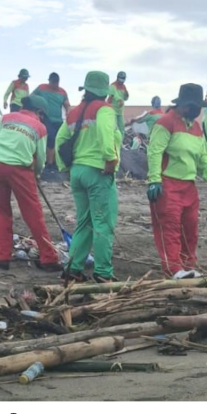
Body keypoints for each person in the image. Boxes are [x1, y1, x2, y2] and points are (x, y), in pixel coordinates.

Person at [147, 83, 207, 279]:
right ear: (183, 104)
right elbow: (155, 152)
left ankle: (188, 266)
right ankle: (173, 268)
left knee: (190, 228)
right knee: (169, 228)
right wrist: (154, 179)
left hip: (189, 186)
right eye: (193, 106)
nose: (197, 110)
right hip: (168, 184)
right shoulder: (165, 123)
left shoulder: (196, 127)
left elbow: (203, 155)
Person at [0, 97, 62, 271]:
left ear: (23, 106)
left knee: (0, 211)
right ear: (39, 112)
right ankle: (49, 258)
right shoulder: (40, 128)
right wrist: (37, 173)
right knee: (33, 213)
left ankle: (3, 257)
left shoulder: (7, 118)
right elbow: (40, 159)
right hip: (19, 169)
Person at [56, 71, 123, 284]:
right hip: (98, 171)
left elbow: (60, 139)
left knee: (84, 222)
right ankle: (103, 272)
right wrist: (110, 159)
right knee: (103, 223)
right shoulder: (104, 110)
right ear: (105, 93)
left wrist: (64, 167)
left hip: (77, 173)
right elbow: (105, 134)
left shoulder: (75, 113)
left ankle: (73, 268)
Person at [30, 72, 70, 171]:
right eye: (52, 82)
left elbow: (67, 105)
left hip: (58, 120)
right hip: (46, 118)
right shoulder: (41, 88)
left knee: (59, 139)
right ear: (50, 81)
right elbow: (31, 97)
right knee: (51, 138)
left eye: (56, 82)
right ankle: (49, 163)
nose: (54, 84)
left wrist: (69, 113)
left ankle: (56, 162)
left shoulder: (62, 92)